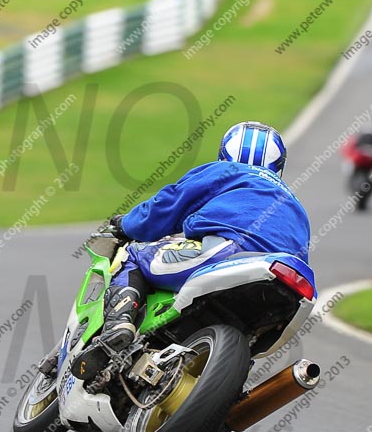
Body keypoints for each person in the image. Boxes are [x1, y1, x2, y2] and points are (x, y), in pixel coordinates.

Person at [72, 121, 311, 380]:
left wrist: (127, 224)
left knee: (135, 254)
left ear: (224, 154)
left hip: (228, 252)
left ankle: (118, 325)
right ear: (279, 166)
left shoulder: (225, 171)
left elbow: (165, 207)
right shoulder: (295, 203)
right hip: (286, 286)